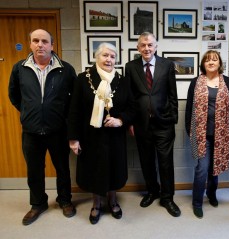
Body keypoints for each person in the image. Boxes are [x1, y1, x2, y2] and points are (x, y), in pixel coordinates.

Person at [8, 29, 77, 226]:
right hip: (31, 132)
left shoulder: (66, 69)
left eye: (44, 41)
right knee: (34, 170)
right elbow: (14, 96)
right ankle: (38, 203)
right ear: (30, 44)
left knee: (62, 168)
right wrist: (30, 111)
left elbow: (74, 101)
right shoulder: (19, 68)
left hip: (58, 130)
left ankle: (65, 200)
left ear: (52, 45)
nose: (40, 44)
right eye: (36, 41)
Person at [68, 42, 135, 224]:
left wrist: (120, 120)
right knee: (94, 170)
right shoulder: (83, 79)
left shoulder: (123, 81)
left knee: (113, 169)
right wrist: (73, 139)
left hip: (115, 136)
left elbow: (131, 108)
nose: (109, 59)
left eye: (112, 56)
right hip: (90, 136)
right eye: (105, 55)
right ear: (96, 57)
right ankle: (96, 203)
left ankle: (113, 200)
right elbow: (74, 110)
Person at [125, 32, 181, 217]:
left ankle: (167, 198)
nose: (147, 48)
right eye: (143, 45)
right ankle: (152, 191)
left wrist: (172, 117)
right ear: (138, 48)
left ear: (156, 46)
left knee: (166, 162)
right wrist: (131, 121)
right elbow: (130, 97)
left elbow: (173, 94)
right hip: (141, 124)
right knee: (146, 161)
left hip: (164, 123)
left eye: (150, 45)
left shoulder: (167, 65)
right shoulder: (130, 67)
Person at [185, 50, 229, 218]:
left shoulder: (228, 82)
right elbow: (189, 108)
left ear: (220, 63)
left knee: (215, 169)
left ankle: (212, 194)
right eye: (207, 60)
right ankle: (197, 202)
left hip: (221, 134)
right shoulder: (196, 82)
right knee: (202, 169)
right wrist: (190, 130)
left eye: (215, 59)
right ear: (203, 64)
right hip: (201, 135)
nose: (211, 62)